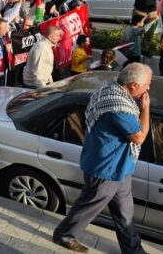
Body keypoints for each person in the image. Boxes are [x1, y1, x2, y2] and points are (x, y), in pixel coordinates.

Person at [53, 63, 152, 253]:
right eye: (147, 85)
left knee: (125, 213)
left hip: (121, 168)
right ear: (133, 86)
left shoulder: (110, 88)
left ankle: (133, 250)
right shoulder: (119, 108)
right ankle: (64, 234)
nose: (148, 89)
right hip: (105, 169)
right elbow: (139, 137)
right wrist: (146, 109)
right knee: (88, 206)